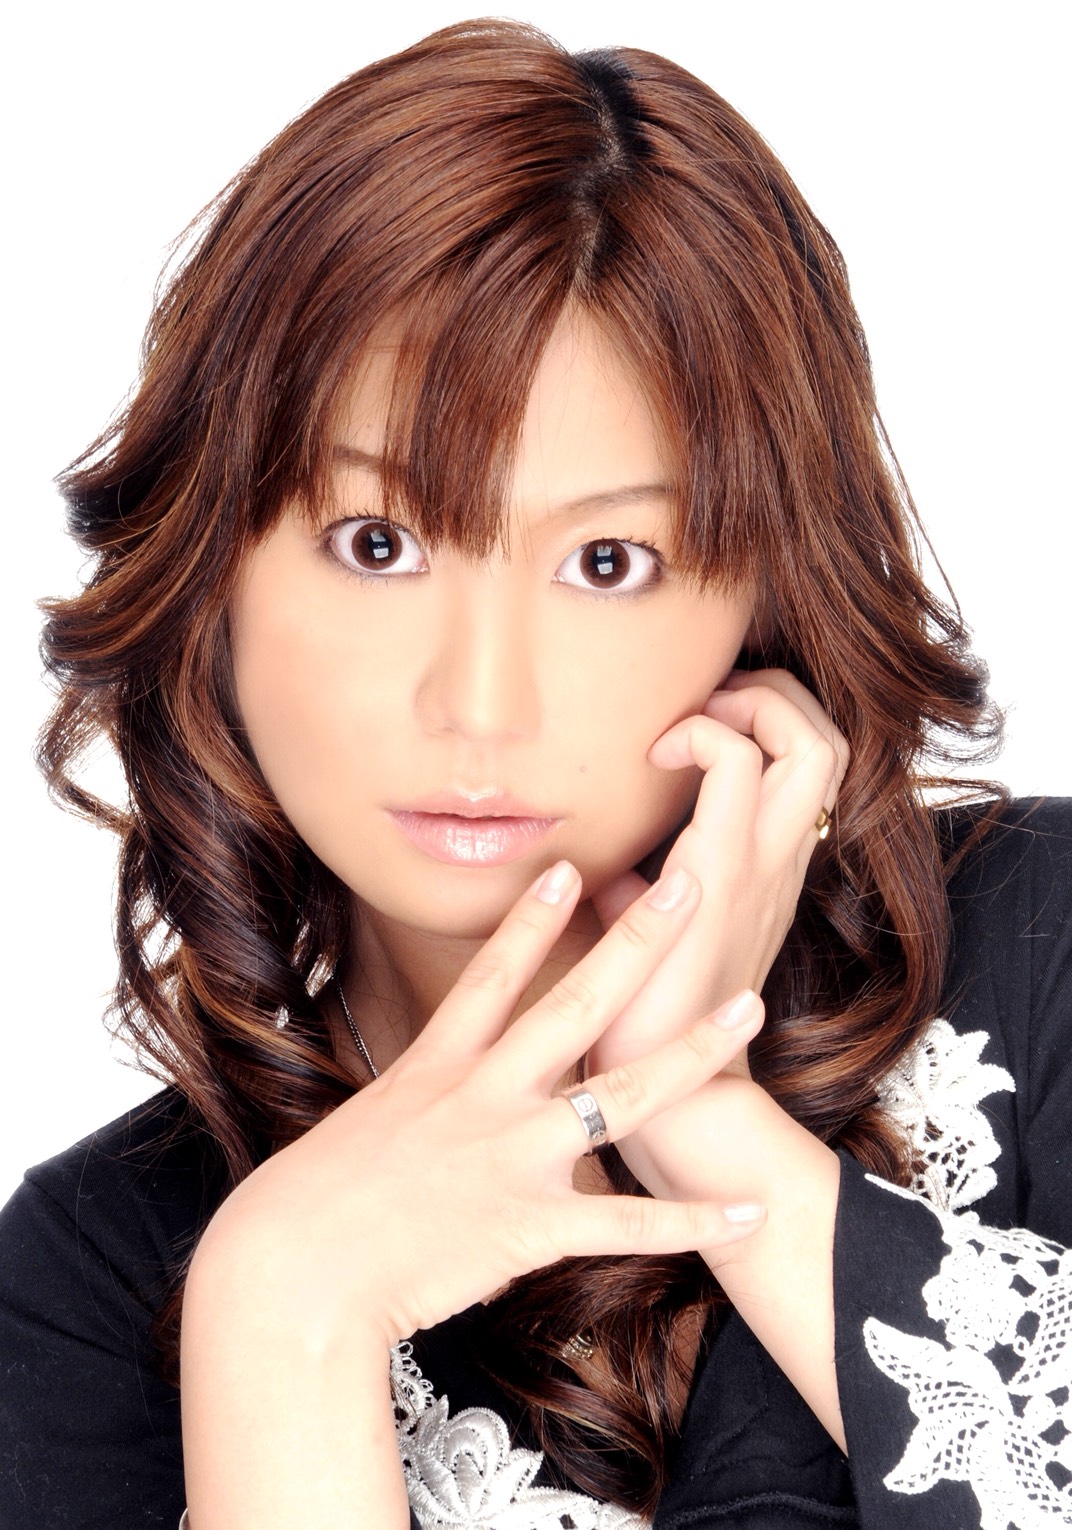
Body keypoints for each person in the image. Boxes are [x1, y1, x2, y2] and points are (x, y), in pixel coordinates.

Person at [1, 17, 1069, 1529]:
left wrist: (702, 1110)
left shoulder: (1042, 948)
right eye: (378, 542)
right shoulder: (94, 1277)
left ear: (764, 595)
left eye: (609, 560)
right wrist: (287, 1312)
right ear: (215, 569)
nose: (480, 703)